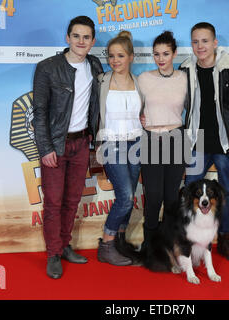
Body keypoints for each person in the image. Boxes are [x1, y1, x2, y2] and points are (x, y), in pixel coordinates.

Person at [180, 22, 229, 263]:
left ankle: (224, 239)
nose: (200, 46)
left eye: (204, 41)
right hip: (197, 141)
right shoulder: (185, 69)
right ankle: (192, 241)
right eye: (195, 41)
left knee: (226, 193)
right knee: (190, 190)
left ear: (215, 42)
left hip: (227, 142)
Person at [32, 16, 103, 279]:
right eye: (76, 36)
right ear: (67, 38)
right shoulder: (47, 68)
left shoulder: (95, 65)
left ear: (93, 41)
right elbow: (39, 113)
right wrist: (45, 148)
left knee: (72, 201)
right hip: (56, 145)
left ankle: (64, 246)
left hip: (82, 143)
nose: (81, 41)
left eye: (86, 37)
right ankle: (52, 254)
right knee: (53, 202)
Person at [96, 31, 144, 266]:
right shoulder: (101, 82)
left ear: (131, 57)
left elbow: (144, 111)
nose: (115, 60)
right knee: (125, 198)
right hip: (111, 144)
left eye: (120, 56)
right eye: (111, 56)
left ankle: (121, 243)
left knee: (130, 195)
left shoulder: (139, 83)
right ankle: (106, 246)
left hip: (136, 143)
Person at [138, 31, 188, 249]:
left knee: (171, 197)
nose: (160, 58)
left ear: (174, 54)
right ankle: (150, 244)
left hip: (177, 137)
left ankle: (169, 244)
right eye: (156, 54)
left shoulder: (185, 78)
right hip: (150, 139)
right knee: (154, 195)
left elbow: (195, 109)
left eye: (165, 53)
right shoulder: (144, 79)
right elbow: (133, 108)